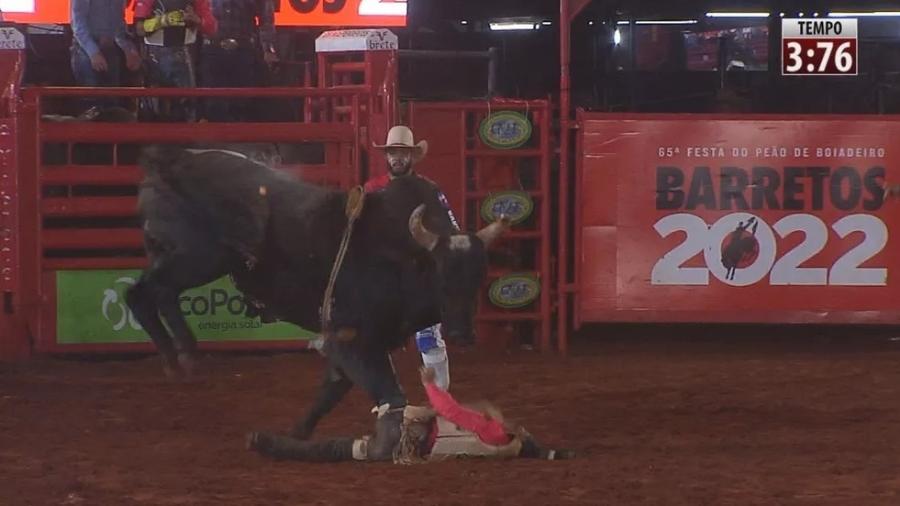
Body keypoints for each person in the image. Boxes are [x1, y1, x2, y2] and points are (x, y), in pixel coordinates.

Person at [246, 366, 575, 463]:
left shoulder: (490, 429)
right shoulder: (500, 447)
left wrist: (429, 384)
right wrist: (549, 452)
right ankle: (269, 444)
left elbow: (449, 409)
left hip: (398, 427)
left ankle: (345, 363)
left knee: (387, 389)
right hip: (391, 451)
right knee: (336, 450)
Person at [360, 125, 459, 392]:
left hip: (419, 272)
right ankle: (389, 399)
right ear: (387, 156)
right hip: (384, 272)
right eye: (393, 152)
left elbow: (450, 228)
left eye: (403, 152)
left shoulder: (429, 189)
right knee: (372, 335)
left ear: (413, 156)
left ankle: (440, 397)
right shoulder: (372, 190)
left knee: (427, 334)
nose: (398, 158)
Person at [134, 0, 218, 121]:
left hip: (185, 56)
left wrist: (197, 20)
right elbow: (138, 29)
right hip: (154, 57)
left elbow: (212, 28)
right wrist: (161, 21)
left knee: (187, 108)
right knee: (153, 108)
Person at [200, 0, 278, 121]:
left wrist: (268, 49)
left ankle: (238, 135)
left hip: (244, 48)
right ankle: (215, 135)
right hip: (211, 48)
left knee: (242, 100)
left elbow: (266, 17)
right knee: (213, 100)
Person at [70, 0, 142, 110]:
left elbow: (119, 25)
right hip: (86, 50)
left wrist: (128, 49)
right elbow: (78, 23)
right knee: (91, 104)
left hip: (110, 48)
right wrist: (93, 52)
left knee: (111, 102)